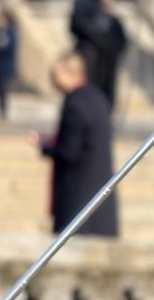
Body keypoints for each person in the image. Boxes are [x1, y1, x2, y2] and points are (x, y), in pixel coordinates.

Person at [35, 51, 118, 238]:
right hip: (98, 197)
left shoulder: (75, 104)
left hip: (77, 198)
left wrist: (44, 146)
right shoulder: (97, 97)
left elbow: (70, 151)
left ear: (69, 73)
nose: (52, 80)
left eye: (55, 74)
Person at [70, 0, 127, 107]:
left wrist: (111, 48)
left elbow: (122, 42)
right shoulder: (91, 21)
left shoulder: (115, 23)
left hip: (108, 66)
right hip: (92, 66)